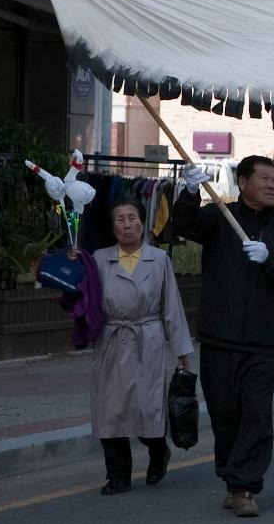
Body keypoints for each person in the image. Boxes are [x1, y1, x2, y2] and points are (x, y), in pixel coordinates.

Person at [176, 156, 274, 518]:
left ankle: (246, 486)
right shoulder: (220, 216)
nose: (271, 184)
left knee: (255, 413)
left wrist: (269, 259)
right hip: (220, 335)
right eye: (264, 178)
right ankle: (232, 479)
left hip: (263, 342)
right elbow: (183, 225)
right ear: (242, 181)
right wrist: (189, 191)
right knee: (224, 414)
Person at [77, 198, 193, 495]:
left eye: (132, 218)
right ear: (112, 227)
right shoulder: (98, 259)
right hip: (112, 339)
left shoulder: (159, 259)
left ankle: (158, 454)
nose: (127, 224)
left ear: (143, 223)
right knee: (109, 410)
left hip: (148, 340)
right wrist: (72, 263)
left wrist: (181, 350)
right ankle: (118, 475)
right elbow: (78, 293)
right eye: (120, 219)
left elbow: (172, 308)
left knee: (148, 408)